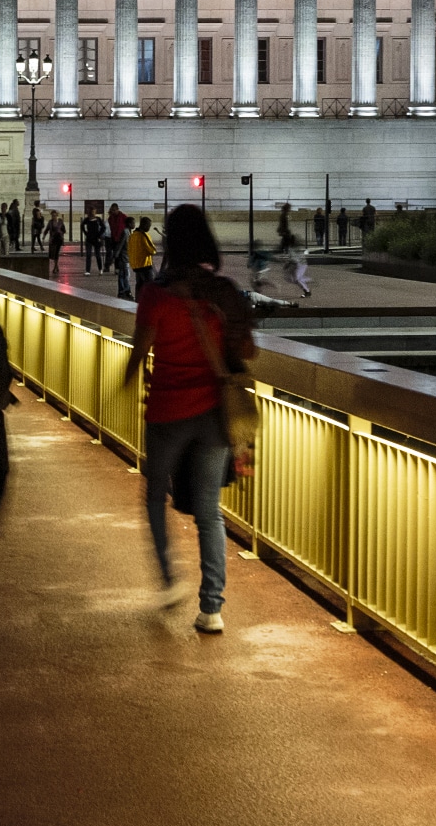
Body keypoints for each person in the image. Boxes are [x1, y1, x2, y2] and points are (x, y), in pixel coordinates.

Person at [121, 204, 255, 632]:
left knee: (155, 495)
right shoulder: (224, 291)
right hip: (215, 414)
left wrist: (125, 383)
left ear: (169, 243)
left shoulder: (156, 295)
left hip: (167, 411)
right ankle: (212, 607)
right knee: (208, 509)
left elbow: (140, 351)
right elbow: (249, 352)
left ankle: (168, 580)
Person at [123, 214, 156, 298]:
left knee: (139, 285)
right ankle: (149, 303)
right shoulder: (144, 236)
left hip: (136, 265)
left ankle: (137, 302)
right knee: (149, 286)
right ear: (144, 225)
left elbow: (129, 249)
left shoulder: (132, 235)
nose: (149, 228)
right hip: (145, 265)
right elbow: (152, 250)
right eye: (149, 226)